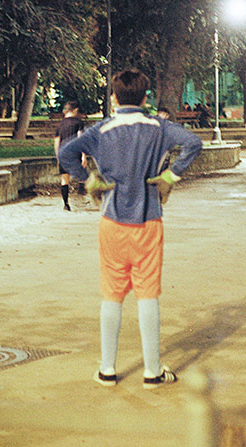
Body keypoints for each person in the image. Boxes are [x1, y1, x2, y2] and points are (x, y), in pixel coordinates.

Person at [59, 68, 202, 389]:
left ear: (113, 98)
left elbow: (67, 153)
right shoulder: (159, 127)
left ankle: (107, 369)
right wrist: (171, 175)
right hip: (148, 220)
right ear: (145, 97)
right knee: (147, 294)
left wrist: (90, 180)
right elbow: (193, 143)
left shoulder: (101, 129)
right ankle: (152, 371)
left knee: (112, 294)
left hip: (112, 221)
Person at [54, 100, 86, 211]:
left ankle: (66, 204)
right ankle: (84, 194)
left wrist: (58, 156)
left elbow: (57, 141)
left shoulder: (60, 124)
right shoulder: (78, 123)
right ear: (75, 110)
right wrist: (83, 156)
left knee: (64, 179)